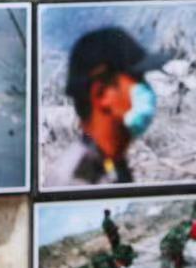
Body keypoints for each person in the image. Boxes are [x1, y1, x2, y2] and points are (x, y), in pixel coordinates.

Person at [62, 27, 169, 185]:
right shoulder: (79, 178)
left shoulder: (109, 161)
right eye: (138, 78)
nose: (147, 90)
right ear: (102, 94)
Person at [159, 199, 196, 268]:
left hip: (175, 241)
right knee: (171, 260)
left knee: (179, 256)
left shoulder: (195, 225)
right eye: (195, 239)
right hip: (166, 245)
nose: (195, 241)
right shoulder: (182, 236)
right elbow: (177, 249)